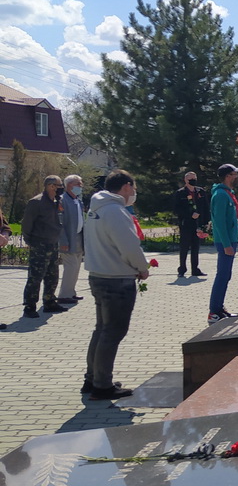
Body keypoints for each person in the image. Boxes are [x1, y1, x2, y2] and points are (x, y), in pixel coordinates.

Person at [82, 169, 149, 400]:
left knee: (102, 329)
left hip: (98, 274)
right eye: (134, 188)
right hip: (116, 278)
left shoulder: (96, 208)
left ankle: (93, 378)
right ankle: (102, 386)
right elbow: (129, 246)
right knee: (113, 331)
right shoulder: (116, 211)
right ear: (126, 186)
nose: (134, 193)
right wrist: (142, 267)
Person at [22, 175, 66, 318]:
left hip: (52, 243)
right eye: (59, 186)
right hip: (39, 244)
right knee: (35, 276)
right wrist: (30, 241)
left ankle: (49, 302)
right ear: (51, 186)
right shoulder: (36, 202)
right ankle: (29, 306)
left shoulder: (56, 201)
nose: (61, 188)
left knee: (52, 275)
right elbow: (26, 225)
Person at [209, 164, 238, 324]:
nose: (237, 177)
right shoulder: (221, 195)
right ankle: (214, 311)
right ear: (227, 176)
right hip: (226, 241)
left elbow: (228, 218)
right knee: (222, 275)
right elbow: (219, 222)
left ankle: (219, 307)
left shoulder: (227, 193)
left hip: (230, 239)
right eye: (234, 174)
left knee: (226, 275)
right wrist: (226, 244)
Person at [171, 171, 209, 278]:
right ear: (185, 180)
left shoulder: (200, 191)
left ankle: (195, 269)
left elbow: (206, 207)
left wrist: (206, 222)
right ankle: (182, 269)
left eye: (194, 178)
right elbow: (176, 209)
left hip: (198, 224)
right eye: (190, 179)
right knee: (184, 247)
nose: (193, 181)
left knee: (196, 247)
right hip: (186, 224)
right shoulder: (180, 193)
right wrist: (190, 214)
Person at [56, 174, 86, 304]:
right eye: (78, 184)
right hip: (68, 239)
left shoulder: (78, 201)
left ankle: (71, 292)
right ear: (69, 185)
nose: (81, 186)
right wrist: (63, 241)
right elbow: (60, 224)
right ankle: (64, 295)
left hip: (78, 238)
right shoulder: (62, 201)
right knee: (71, 267)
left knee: (76, 267)